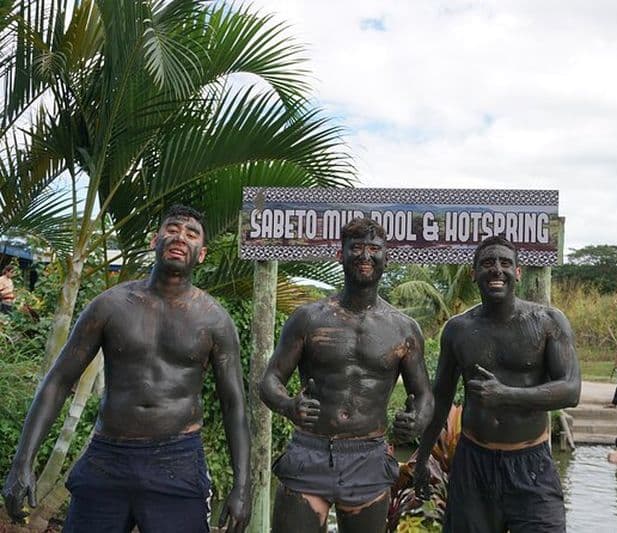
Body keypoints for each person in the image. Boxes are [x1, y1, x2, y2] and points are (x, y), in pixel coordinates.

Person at [2, 205, 251, 533]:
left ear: (201, 254)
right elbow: (57, 382)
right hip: (108, 457)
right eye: (172, 229)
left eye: (192, 235)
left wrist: (242, 487)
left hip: (176, 460)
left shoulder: (215, 320)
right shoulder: (110, 306)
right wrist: (22, 461)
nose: (180, 237)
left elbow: (234, 405)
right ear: (154, 240)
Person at [259, 217, 433, 533]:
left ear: (386, 257)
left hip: (368, 454)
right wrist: (288, 407)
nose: (365, 256)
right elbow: (270, 381)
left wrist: (416, 420)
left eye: (374, 249)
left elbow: (423, 395)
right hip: (309, 449)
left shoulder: (404, 329)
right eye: (356, 248)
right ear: (341, 255)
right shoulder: (308, 319)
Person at [414, 235, 581, 533]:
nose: (497, 270)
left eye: (505, 263)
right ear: (474, 272)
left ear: (517, 272)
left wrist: (507, 395)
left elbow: (571, 389)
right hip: (473, 464)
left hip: (531, 464)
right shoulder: (457, 330)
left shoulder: (547, 322)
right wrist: (423, 457)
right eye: (488, 263)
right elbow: (441, 398)